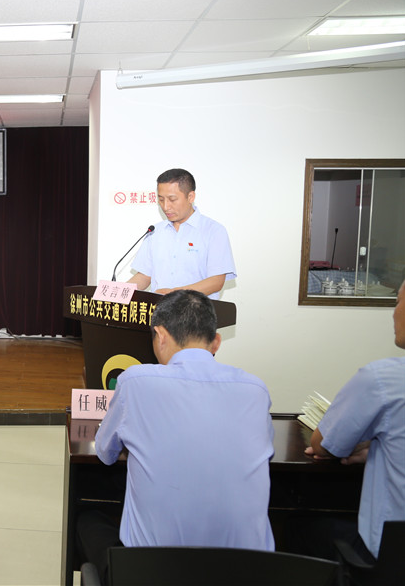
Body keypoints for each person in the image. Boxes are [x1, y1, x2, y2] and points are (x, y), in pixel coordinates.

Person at [78, 290, 273, 583]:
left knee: (88, 519)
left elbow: (105, 452)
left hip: (152, 573)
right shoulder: (255, 390)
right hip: (246, 573)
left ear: (160, 335)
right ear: (216, 341)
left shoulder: (135, 381)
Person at [298, 277, 405, 561]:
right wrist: (377, 448)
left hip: (389, 558)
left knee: (301, 527)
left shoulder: (382, 379)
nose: (393, 313)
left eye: (397, 302)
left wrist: (362, 445)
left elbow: (323, 445)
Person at [128, 168, 235, 299]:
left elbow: (216, 281)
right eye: (161, 199)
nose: (165, 206)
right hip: (160, 310)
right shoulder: (155, 232)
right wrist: (117, 293)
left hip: (198, 309)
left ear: (190, 197)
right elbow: (144, 276)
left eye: (172, 199)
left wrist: (175, 293)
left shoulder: (213, 231)